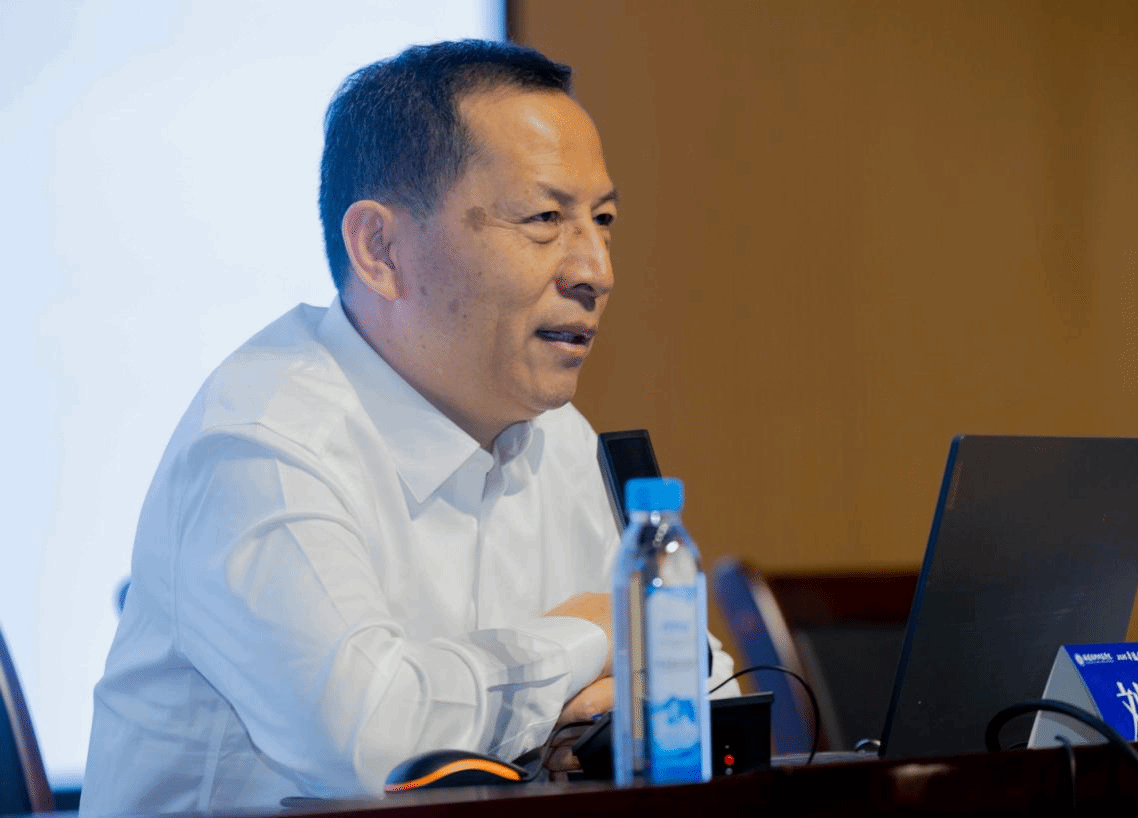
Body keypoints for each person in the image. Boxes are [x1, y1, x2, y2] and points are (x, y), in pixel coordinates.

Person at [80, 40, 735, 816]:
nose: (596, 270)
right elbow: (376, 746)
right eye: (544, 218)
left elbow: (707, 680)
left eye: (603, 219)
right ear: (380, 249)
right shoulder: (260, 443)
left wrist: (623, 695)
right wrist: (592, 634)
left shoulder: (556, 436)